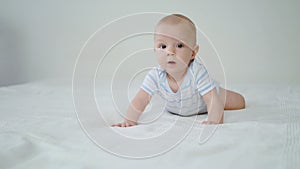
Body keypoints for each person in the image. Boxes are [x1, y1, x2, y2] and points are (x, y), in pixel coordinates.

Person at [112, 14, 245, 127]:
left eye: (179, 45)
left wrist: (214, 120)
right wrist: (129, 120)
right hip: (180, 107)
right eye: (163, 46)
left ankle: (227, 96)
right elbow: (140, 100)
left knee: (239, 102)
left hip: (208, 99)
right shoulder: (155, 76)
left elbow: (210, 99)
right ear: (155, 50)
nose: (170, 51)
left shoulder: (197, 72)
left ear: (193, 53)